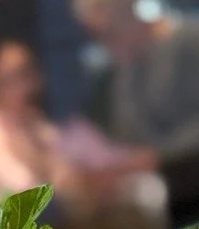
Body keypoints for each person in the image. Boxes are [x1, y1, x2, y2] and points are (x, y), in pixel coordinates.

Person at [0, 37, 167, 229]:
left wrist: (94, 178)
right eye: (11, 78)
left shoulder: (40, 124)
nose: (25, 87)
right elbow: (30, 191)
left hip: (75, 219)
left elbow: (84, 165)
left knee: (145, 189)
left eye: (28, 73)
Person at [75, 0, 199, 160]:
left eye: (108, 33)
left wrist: (161, 156)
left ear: (128, 13)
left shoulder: (190, 41)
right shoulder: (124, 65)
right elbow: (127, 132)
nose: (104, 44)